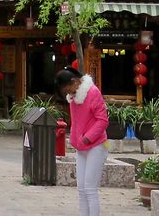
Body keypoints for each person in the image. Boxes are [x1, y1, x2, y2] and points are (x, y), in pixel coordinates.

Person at [57, 67, 109, 216]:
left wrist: (87, 137)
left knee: (90, 189)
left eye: (67, 89)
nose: (67, 93)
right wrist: (75, 139)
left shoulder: (92, 92)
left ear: (74, 81)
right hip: (82, 146)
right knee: (81, 189)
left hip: (97, 144)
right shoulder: (74, 97)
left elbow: (103, 120)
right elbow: (77, 122)